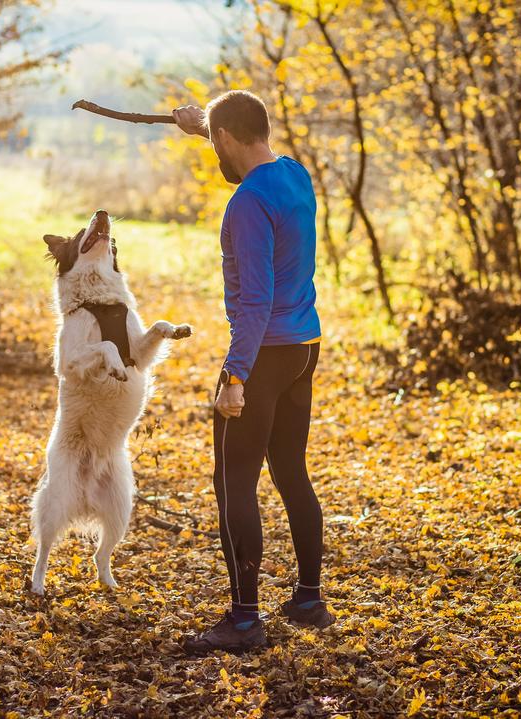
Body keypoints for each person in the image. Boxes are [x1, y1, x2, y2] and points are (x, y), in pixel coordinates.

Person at [172, 91, 334, 654]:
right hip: (303, 348)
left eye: (215, 137)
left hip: (262, 354)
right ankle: (308, 599)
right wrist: (206, 126)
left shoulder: (245, 204)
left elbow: (255, 302)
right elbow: (246, 142)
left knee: (234, 482)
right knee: (291, 472)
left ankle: (244, 620)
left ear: (225, 139)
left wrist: (235, 376)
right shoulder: (294, 175)